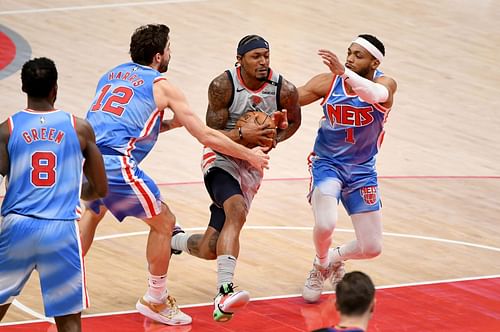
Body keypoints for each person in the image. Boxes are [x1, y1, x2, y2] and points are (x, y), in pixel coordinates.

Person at [78, 25, 270, 326]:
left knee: (92, 212)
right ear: (158, 56)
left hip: (85, 159)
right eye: (169, 48)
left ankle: (66, 286)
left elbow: (122, 122)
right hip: (116, 165)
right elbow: (206, 135)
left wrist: (168, 124)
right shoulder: (163, 85)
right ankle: (155, 299)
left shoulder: (112, 75)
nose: (171, 53)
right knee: (165, 224)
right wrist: (251, 155)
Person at [171, 34, 301, 322]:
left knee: (209, 249)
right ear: (240, 59)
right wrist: (244, 136)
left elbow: (295, 120)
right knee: (237, 210)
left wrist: (274, 138)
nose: (263, 62)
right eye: (256, 56)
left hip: (252, 165)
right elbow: (210, 134)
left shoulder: (284, 89)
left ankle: (175, 241)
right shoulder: (223, 85)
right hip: (220, 157)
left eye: (266, 56)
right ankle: (224, 293)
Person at [0, 57, 107, 332]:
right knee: (68, 320)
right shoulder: (79, 128)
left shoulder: (7, 129)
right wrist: (75, 189)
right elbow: (100, 188)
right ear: (55, 89)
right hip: (60, 230)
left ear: (23, 87)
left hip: (17, 227)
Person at [299, 34, 397, 303]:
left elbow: (376, 94)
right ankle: (320, 265)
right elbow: (289, 100)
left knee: (372, 247)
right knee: (326, 222)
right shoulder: (330, 82)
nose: (350, 58)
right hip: (327, 164)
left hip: (362, 170)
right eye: (349, 53)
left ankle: (334, 258)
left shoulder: (384, 83)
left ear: (374, 62)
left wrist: (344, 72)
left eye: (358, 55)